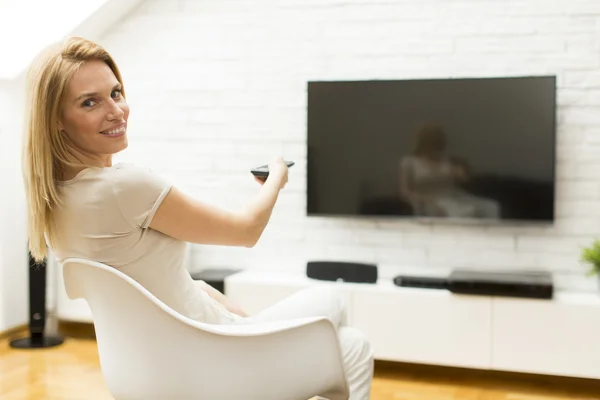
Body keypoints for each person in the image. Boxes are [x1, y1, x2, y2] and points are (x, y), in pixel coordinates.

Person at [21, 36, 373, 399]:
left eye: (116, 93)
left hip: (152, 372)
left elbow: (146, 285)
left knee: (328, 315)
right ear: (56, 120)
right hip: (212, 364)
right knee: (350, 339)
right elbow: (246, 231)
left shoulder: (57, 199)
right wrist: (277, 177)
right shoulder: (123, 187)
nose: (116, 111)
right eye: (90, 102)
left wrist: (217, 300)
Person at [399, 124, 500, 219]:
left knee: (491, 206)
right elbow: (405, 192)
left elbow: (464, 179)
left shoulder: (448, 161)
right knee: (458, 212)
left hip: (454, 197)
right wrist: (426, 199)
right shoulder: (409, 162)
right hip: (427, 200)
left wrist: (462, 170)